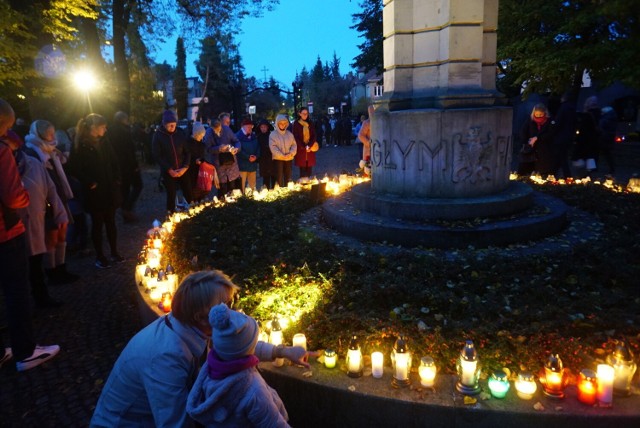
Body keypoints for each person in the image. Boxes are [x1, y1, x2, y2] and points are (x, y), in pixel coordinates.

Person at [90, 270, 311, 427]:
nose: (230, 312)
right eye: (225, 305)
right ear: (200, 317)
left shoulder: (191, 325)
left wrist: (282, 351)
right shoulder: (165, 357)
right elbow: (174, 423)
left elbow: (235, 347)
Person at [0, 98, 60, 372]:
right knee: (17, 290)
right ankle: (25, 351)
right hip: (6, 230)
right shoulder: (2, 152)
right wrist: (25, 196)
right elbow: (14, 197)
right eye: (8, 126)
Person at [187, 303, 290, 427]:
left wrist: (281, 352)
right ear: (247, 350)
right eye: (254, 342)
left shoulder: (211, 367)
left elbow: (243, 349)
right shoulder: (254, 391)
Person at [24, 120, 79, 284]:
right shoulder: (32, 152)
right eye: (49, 134)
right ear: (39, 134)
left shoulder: (52, 151)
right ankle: (52, 271)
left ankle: (61, 268)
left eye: (53, 132)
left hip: (58, 195)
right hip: (45, 199)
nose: (53, 136)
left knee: (62, 233)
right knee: (51, 237)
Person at [17, 133, 68, 308]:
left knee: (35, 260)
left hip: (36, 217)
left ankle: (41, 295)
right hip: (13, 226)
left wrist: (59, 211)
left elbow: (50, 188)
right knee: (21, 266)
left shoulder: (33, 163)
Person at [69, 113, 124, 269]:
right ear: (94, 127)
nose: (105, 130)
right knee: (97, 224)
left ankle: (114, 252)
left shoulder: (104, 141)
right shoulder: (80, 144)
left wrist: (117, 178)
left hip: (109, 189)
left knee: (111, 222)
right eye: (103, 127)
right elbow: (75, 168)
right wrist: (89, 182)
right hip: (94, 192)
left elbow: (114, 160)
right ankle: (100, 256)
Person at [152, 109, 192, 213]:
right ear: (164, 124)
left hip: (183, 169)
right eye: (170, 125)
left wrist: (185, 166)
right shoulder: (158, 135)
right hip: (169, 171)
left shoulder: (180, 133)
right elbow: (157, 155)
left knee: (188, 192)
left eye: (174, 124)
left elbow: (187, 152)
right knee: (171, 194)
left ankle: (192, 212)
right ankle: (171, 215)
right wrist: (169, 169)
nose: (172, 127)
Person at [109, 111, 143, 223]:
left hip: (118, 165)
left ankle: (126, 213)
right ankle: (127, 209)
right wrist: (135, 165)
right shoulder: (125, 131)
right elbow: (129, 150)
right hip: (128, 165)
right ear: (123, 120)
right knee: (138, 185)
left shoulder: (110, 131)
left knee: (125, 189)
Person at [517, 103, 554, 176]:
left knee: (542, 170)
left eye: (541, 115)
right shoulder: (530, 120)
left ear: (545, 113)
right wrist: (527, 141)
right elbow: (523, 131)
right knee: (525, 169)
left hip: (544, 149)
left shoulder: (549, 121)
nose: (539, 117)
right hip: (530, 149)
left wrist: (537, 138)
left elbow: (551, 134)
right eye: (537, 114)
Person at [207, 119, 241, 198]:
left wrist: (236, 148)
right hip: (219, 166)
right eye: (215, 130)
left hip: (231, 164)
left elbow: (236, 141)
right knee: (222, 190)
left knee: (233, 188)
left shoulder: (227, 129)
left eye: (219, 129)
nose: (217, 131)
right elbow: (207, 149)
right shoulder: (208, 133)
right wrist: (219, 148)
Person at [188, 121, 218, 202]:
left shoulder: (202, 144)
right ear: (196, 134)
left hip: (201, 171)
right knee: (194, 190)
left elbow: (204, 156)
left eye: (202, 136)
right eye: (200, 135)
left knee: (202, 189)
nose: (201, 137)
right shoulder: (188, 143)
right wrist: (194, 161)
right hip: (192, 171)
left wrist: (204, 161)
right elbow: (186, 157)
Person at [550, 92, 576, 179]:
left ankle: (567, 176)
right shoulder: (572, 108)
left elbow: (558, 122)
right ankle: (552, 174)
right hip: (568, 136)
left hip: (561, 137)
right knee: (560, 156)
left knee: (562, 157)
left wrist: (552, 126)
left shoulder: (563, 108)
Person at [269, 115, 297, 187]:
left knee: (288, 178)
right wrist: (282, 155)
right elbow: (273, 148)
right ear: (277, 124)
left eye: (284, 123)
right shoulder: (273, 134)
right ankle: (280, 194)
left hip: (288, 158)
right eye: (281, 123)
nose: (283, 125)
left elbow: (294, 145)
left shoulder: (289, 134)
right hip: (278, 160)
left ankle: (288, 192)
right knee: (279, 178)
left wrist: (291, 153)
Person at [293, 107, 319, 179]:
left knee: (309, 169)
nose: (305, 115)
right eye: (303, 113)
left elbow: (314, 135)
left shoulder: (310, 123)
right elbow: (296, 137)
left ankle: (309, 183)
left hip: (310, 149)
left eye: (306, 114)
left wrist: (309, 145)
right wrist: (304, 146)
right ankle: (303, 185)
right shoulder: (296, 123)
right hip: (301, 149)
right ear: (300, 114)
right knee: (302, 170)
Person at [236, 117, 260, 194]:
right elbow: (238, 150)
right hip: (242, 165)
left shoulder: (253, 136)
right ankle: (242, 200)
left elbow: (258, 147)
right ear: (243, 127)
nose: (250, 128)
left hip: (252, 165)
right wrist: (247, 157)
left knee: (252, 185)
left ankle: (252, 198)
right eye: (248, 126)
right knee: (241, 185)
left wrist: (256, 156)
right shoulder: (237, 136)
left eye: (251, 126)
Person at [256, 119, 276, 189]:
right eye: (262, 127)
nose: (263, 128)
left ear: (267, 127)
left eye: (265, 127)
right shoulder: (258, 137)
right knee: (265, 177)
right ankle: (266, 191)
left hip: (272, 159)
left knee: (273, 176)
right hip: (263, 160)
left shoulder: (272, 135)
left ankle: (274, 190)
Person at [598, 105, 617, 175]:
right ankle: (612, 168)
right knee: (608, 154)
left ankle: (611, 169)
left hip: (605, 137)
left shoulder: (606, 118)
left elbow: (601, 126)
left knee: (607, 153)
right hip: (609, 137)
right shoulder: (612, 117)